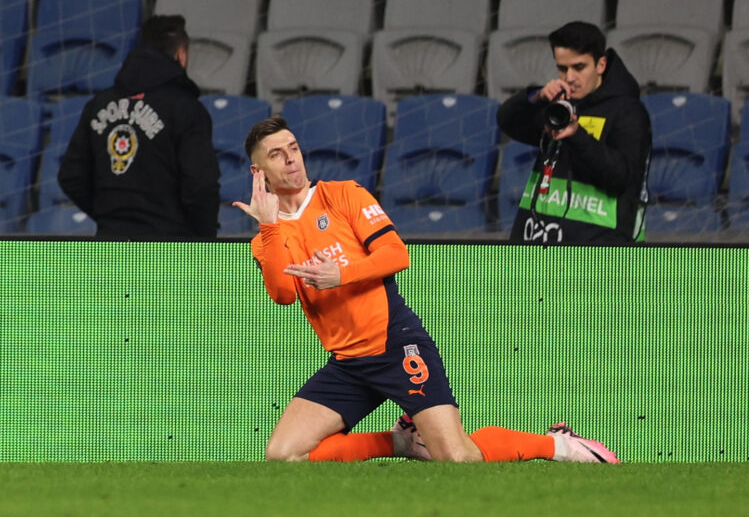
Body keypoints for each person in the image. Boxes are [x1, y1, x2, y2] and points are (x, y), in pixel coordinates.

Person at [232, 115, 620, 464]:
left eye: (294, 149)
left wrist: (342, 273)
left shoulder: (342, 194)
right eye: (277, 154)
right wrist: (269, 228)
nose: (291, 160)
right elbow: (283, 295)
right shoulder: (266, 238)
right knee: (283, 455)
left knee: (457, 457)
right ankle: (402, 442)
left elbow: (396, 254)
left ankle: (559, 444)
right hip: (348, 364)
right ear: (258, 171)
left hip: (395, 345)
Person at [58, 15, 220, 238]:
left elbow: (71, 176)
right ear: (181, 54)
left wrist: (111, 217)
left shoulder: (98, 104)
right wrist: (204, 236)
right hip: (170, 249)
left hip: (111, 244)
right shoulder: (186, 108)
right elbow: (201, 185)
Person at [497, 21, 651, 244]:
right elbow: (508, 122)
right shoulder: (559, 106)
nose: (569, 77)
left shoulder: (628, 111)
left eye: (579, 68)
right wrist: (536, 96)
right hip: (537, 243)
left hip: (599, 255)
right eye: (562, 68)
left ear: (601, 65)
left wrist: (576, 134)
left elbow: (621, 178)